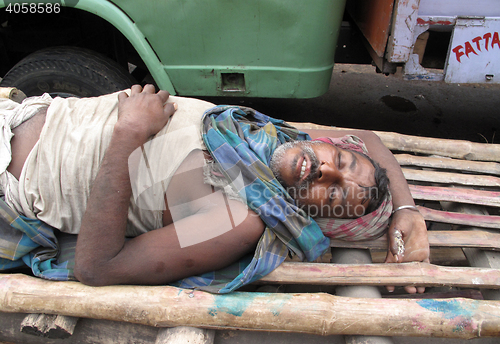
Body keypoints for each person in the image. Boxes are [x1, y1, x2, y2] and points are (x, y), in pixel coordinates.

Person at [1, 85, 429, 293]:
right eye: (340, 159)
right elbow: (369, 140)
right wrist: (407, 210)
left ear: (311, 218)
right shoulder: (268, 138)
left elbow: (97, 268)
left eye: (334, 195)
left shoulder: (237, 218)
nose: (326, 171)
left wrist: (128, 134)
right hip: (24, 110)